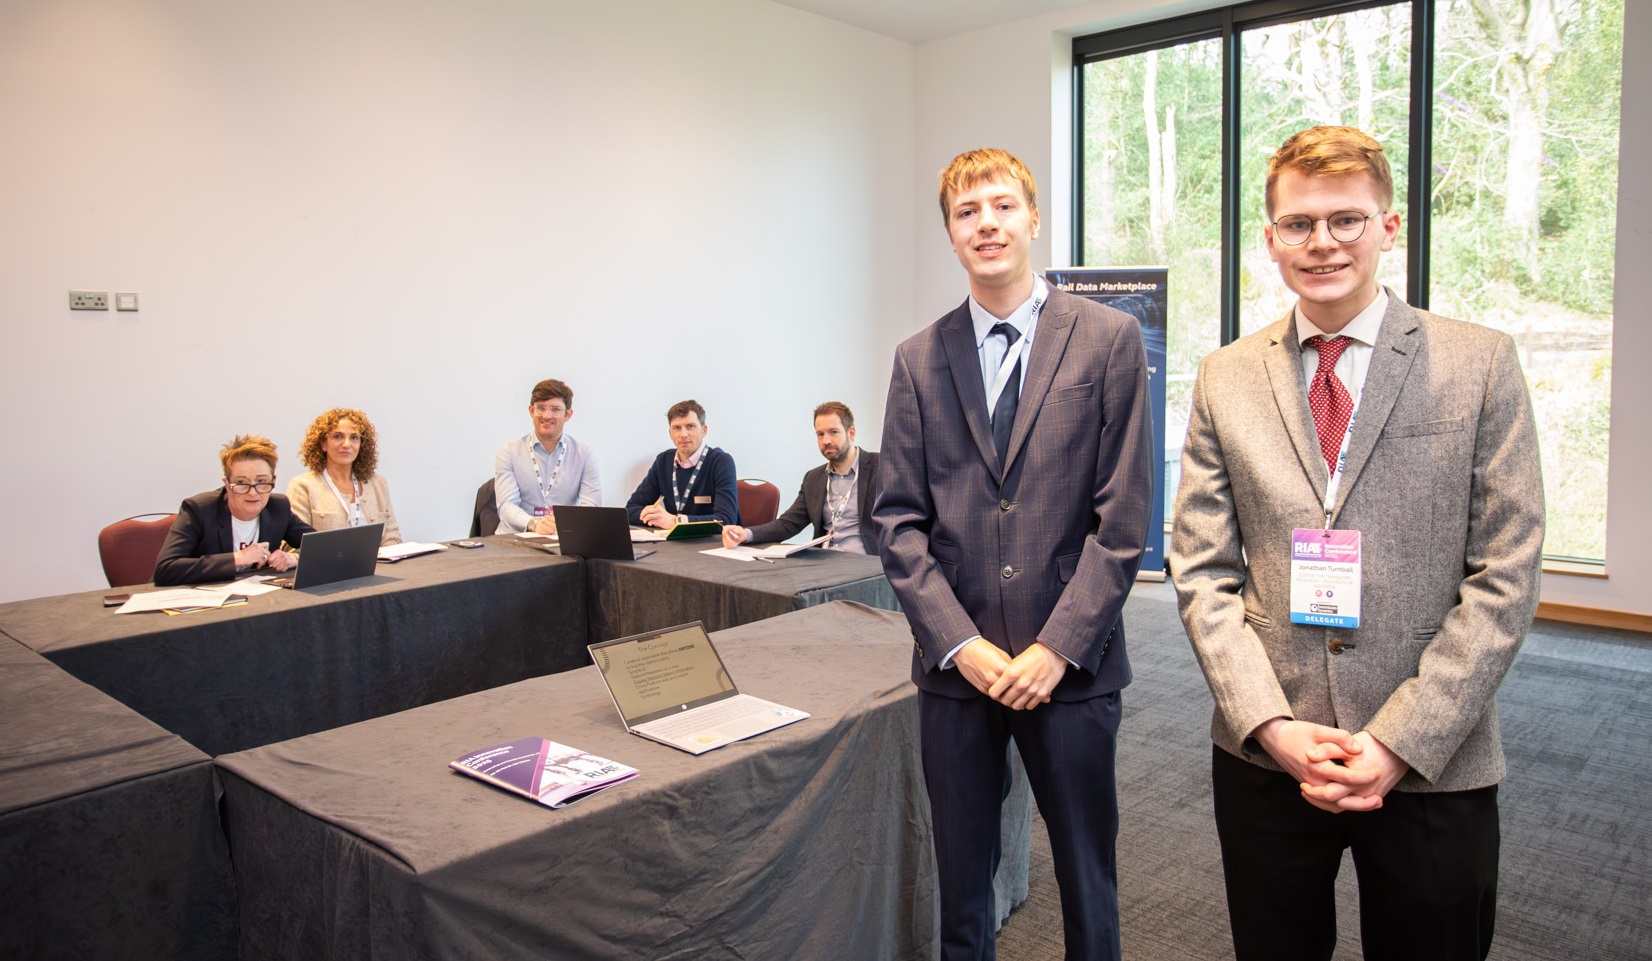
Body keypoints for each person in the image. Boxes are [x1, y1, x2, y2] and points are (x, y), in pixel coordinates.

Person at [1169, 125, 1544, 961]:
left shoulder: (1479, 362)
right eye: (1299, 223)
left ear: (1389, 225)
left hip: (1433, 752)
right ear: (1271, 238)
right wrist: (1270, 722)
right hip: (1272, 751)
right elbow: (1199, 567)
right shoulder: (1226, 375)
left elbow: (1507, 572)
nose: (1323, 242)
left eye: (1347, 219)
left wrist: (1399, 739)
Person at [873, 148, 1153, 961]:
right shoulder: (918, 358)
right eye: (967, 212)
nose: (986, 223)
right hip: (958, 671)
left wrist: (1056, 648)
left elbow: (1123, 520)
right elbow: (897, 520)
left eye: (1001, 206)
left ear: (1033, 218)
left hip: (1071, 665)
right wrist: (959, 643)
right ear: (950, 234)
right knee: (962, 889)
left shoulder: (1108, 339)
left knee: (1087, 881)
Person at [154, 434, 317, 586]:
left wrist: (293, 558)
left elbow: (321, 546)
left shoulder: (278, 507)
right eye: (241, 483)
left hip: (257, 597)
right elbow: (166, 569)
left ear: (273, 481)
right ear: (226, 484)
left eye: (261, 482)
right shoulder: (199, 509)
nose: (252, 492)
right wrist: (238, 558)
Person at [720, 401, 880, 554]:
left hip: (866, 563)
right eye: (820, 434)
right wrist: (745, 534)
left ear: (851, 432)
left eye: (833, 432)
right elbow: (788, 524)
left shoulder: (881, 468)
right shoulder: (814, 479)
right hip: (825, 562)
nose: (826, 441)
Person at [495, 379, 601, 535]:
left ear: (568, 414)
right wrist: (534, 524)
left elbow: (591, 506)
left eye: (555, 409)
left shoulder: (584, 455)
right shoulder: (509, 452)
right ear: (531, 411)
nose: (547, 415)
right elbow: (506, 505)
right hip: (515, 538)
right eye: (541, 408)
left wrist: (563, 524)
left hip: (561, 537)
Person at [286, 407, 402, 545]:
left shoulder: (378, 483)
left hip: (379, 559)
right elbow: (293, 544)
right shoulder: (303, 486)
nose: (346, 444)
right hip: (327, 559)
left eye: (354, 438)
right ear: (323, 444)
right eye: (338, 436)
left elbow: (392, 534)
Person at [625, 399, 739, 529]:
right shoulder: (663, 461)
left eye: (690, 426)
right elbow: (630, 509)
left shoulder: (721, 462)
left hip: (711, 540)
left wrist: (676, 521)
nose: (683, 434)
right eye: (677, 428)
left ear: (704, 430)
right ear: (670, 433)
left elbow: (726, 519)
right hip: (674, 540)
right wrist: (653, 517)